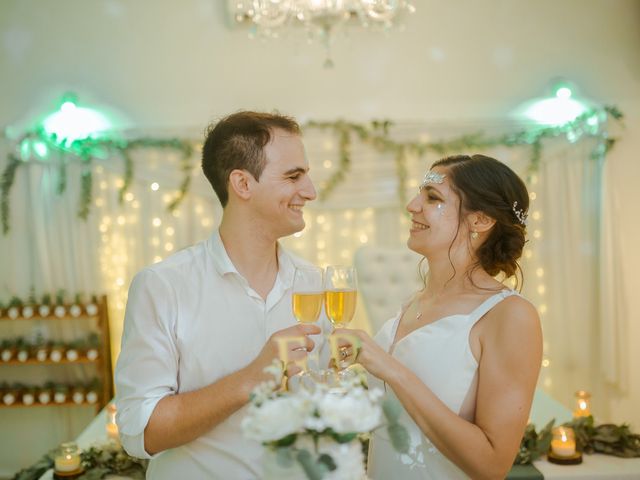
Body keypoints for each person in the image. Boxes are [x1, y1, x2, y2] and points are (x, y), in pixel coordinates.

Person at [115, 111, 323, 479]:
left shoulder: (315, 284)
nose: (310, 191)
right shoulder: (162, 286)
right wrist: (252, 378)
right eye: (294, 176)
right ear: (242, 184)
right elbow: (140, 432)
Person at [336, 154, 542, 479]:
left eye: (433, 198)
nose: (412, 205)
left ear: (481, 221)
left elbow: (492, 465)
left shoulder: (510, 315)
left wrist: (391, 370)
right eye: (421, 193)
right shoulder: (413, 302)